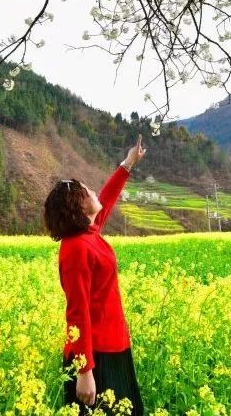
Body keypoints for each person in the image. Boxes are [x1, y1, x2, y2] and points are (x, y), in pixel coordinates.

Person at [43, 134, 148, 415]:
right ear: (77, 207)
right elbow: (77, 312)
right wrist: (84, 370)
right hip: (95, 356)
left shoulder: (87, 235)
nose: (93, 192)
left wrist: (128, 164)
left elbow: (106, 200)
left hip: (114, 346)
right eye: (86, 192)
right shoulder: (76, 248)